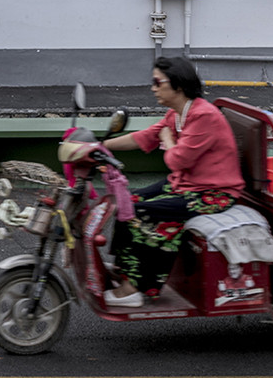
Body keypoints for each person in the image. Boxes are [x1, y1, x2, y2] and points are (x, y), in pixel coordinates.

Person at [98, 56, 243, 308]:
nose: (153, 88)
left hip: (213, 193)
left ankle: (136, 287)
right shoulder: (178, 113)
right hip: (188, 184)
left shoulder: (204, 115)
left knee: (141, 212)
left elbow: (177, 160)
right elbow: (144, 137)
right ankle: (126, 268)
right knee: (128, 201)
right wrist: (99, 146)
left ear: (177, 84)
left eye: (157, 82)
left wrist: (167, 137)